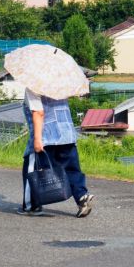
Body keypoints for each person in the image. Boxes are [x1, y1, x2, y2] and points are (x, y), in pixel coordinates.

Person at [18, 88, 94, 217]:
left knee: (32, 169)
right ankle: (82, 196)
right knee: (71, 169)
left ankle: (31, 206)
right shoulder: (59, 85)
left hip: (46, 136)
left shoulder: (33, 86)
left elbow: (39, 112)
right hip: (67, 135)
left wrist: (37, 139)